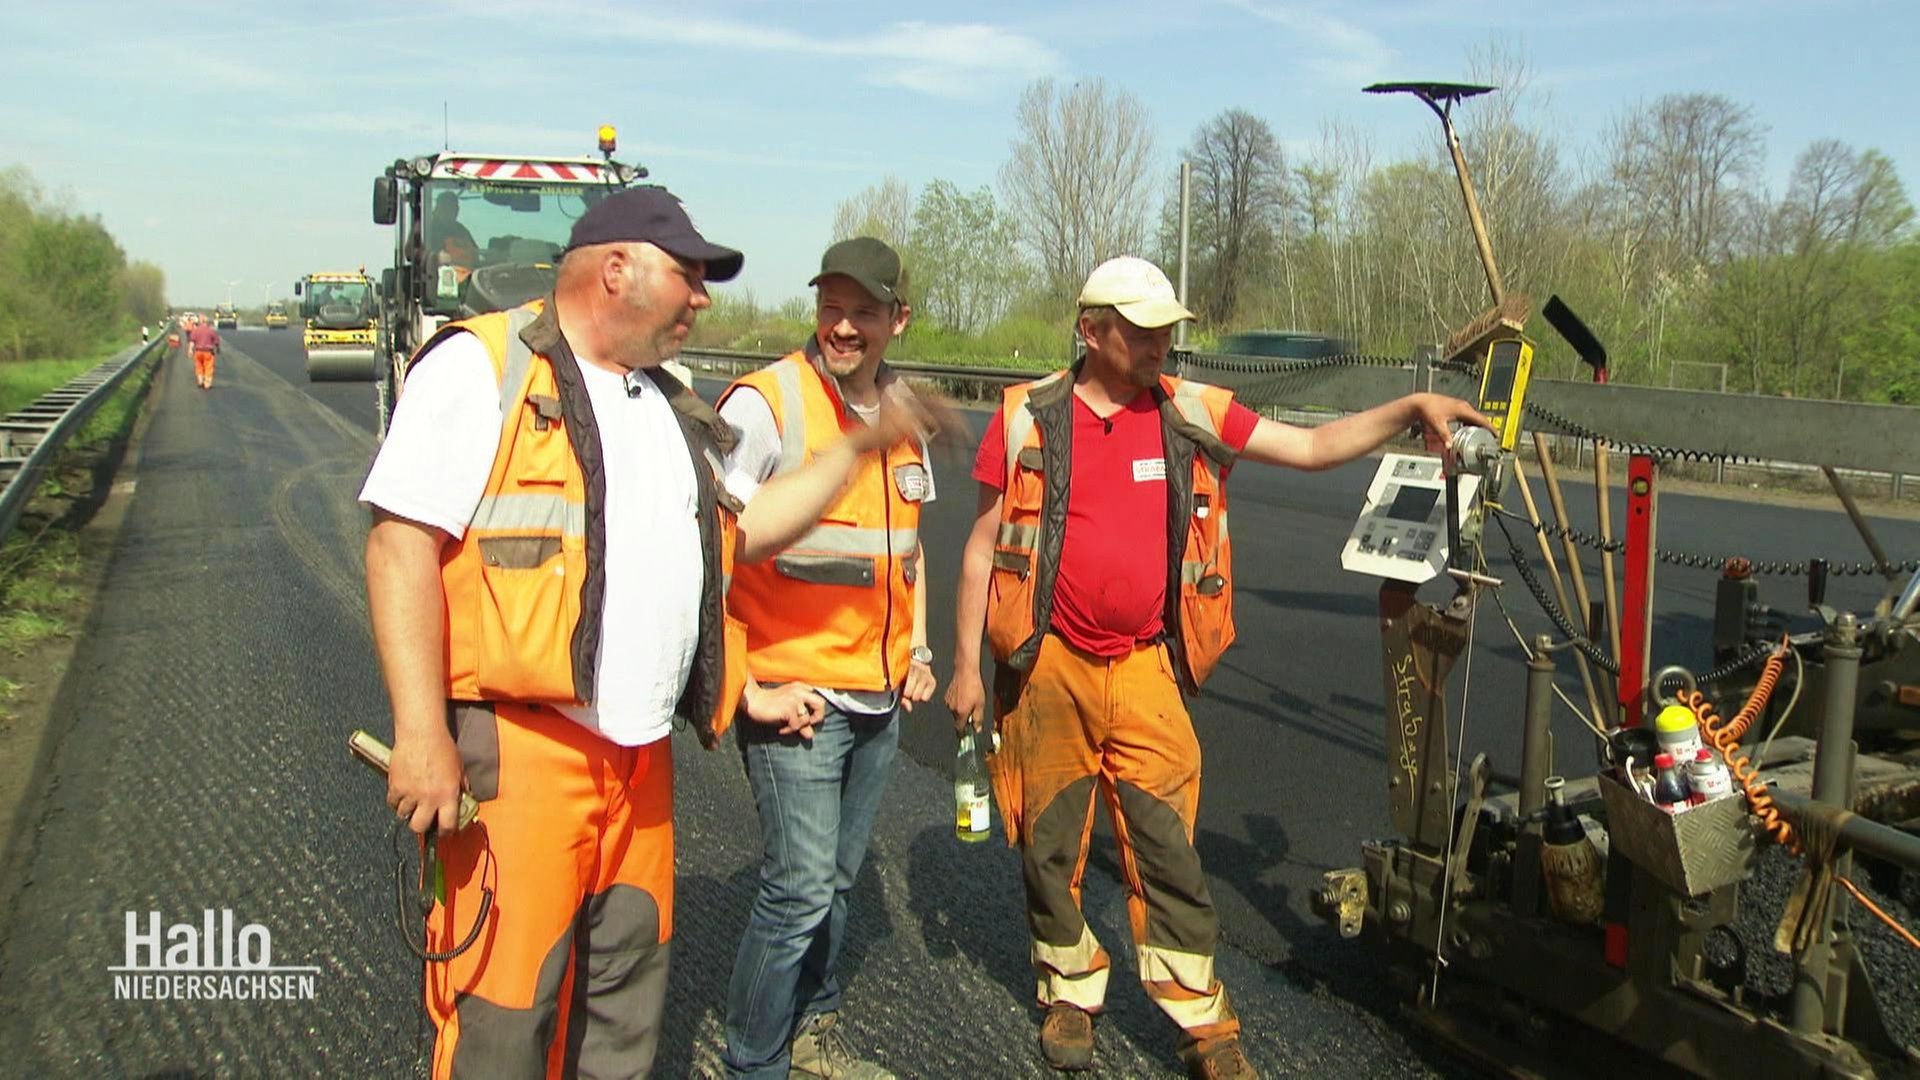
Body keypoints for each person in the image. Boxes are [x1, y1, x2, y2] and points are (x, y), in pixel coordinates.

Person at [360, 187, 929, 1080]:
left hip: (638, 766)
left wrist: (855, 452)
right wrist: (421, 734)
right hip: (519, 758)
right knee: (504, 1019)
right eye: (689, 275)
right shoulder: (483, 367)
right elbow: (399, 545)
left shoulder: (672, 405)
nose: (702, 297)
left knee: (623, 1011)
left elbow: (728, 546)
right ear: (616, 269)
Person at [945, 256, 1489, 1079]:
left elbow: (1310, 448)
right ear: (1093, 331)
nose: (1162, 342)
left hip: (1144, 669)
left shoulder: (1189, 411)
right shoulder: (1028, 417)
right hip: (1048, 665)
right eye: (1142, 329)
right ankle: (1069, 991)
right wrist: (963, 669)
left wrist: (1411, 405)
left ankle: (1203, 1025)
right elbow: (982, 546)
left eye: (1168, 328)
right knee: (1051, 844)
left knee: (1166, 848)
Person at [716, 237, 939, 1080]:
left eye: (864, 311)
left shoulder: (905, 410)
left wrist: (916, 646)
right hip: (794, 689)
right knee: (800, 890)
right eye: (830, 308)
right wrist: (744, 685)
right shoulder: (768, 403)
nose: (843, 327)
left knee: (837, 885)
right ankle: (756, 1062)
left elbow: (906, 552)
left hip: (878, 695)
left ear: (897, 320)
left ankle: (814, 1027)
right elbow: (710, 546)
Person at [430, 191, 481, 285]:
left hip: (466, 284)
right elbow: (411, 253)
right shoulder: (426, 229)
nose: (453, 211)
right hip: (434, 286)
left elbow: (476, 255)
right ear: (438, 208)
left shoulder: (462, 231)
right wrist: (435, 258)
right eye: (447, 207)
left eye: (454, 208)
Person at [187, 317, 221, 390]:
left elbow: (192, 341)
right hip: (208, 352)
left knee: (198, 366)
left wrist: (190, 350)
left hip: (198, 351)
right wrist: (218, 349)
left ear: (200, 323)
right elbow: (216, 342)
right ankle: (207, 384)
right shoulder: (211, 331)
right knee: (209, 368)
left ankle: (200, 382)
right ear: (208, 323)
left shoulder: (195, 331)